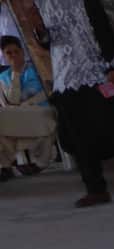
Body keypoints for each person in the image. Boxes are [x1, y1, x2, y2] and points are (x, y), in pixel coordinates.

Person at [23, 0, 114, 206]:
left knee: (111, 123)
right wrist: (38, 28)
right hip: (66, 75)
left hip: (95, 69)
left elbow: (103, 28)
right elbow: (47, 43)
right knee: (75, 135)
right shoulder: (41, 4)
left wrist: (113, 66)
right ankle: (96, 189)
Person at [0, 34, 57, 179]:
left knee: (39, 117)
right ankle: (5, 166)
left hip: (42, 109)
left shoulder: (36, 68)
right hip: (18, 114)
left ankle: (41, 162)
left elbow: (48, 90)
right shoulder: (3, 77)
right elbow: (12, 101)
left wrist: (27, 103)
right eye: (9, 53)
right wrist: (16, 74)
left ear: (22, 52)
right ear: (3, 56)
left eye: (16, 51)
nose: (13, 56)